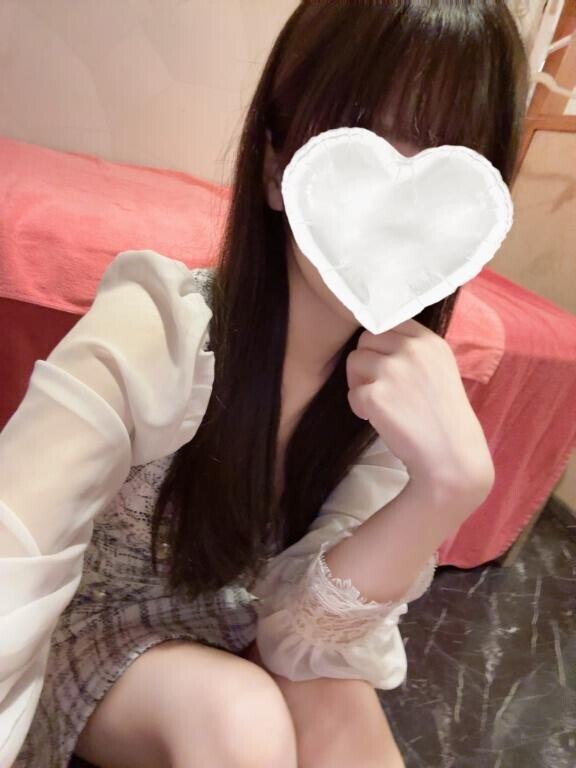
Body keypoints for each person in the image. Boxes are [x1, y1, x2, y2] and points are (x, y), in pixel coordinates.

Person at [0, 2, 529, 767]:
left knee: (338, 705)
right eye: (363, 139)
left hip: (238, 623)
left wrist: (446, 488)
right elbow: (13, 557)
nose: (400, 208)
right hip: (88, 629)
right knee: (241, 715)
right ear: (278, 167)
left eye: (448, 162)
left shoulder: (400, 393)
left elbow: (305, 638)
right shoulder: (159, 329)